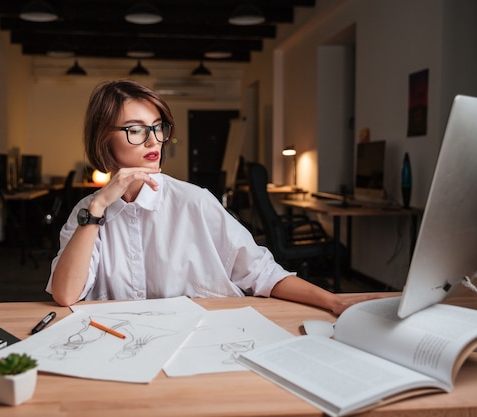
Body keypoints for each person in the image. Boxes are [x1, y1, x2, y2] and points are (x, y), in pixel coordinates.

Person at [46, 79, 385, 315]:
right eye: (136, 130)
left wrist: (334, 302)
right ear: (103, 139)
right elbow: (65, 295)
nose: (154, 141)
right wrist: (99, 207)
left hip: (199, 342)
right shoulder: (87, 213)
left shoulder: (195, 201)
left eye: (158, 127)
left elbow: (261, 273)